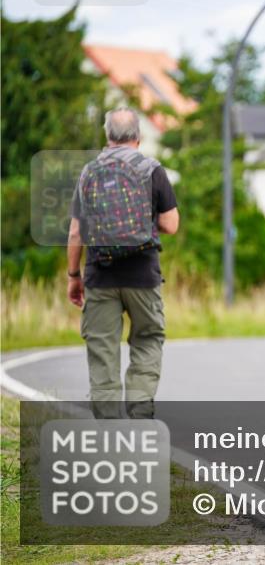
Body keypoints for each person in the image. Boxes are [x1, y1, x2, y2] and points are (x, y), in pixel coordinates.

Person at [67, 107, 179, 419]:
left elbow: (76, 231)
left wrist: (73, 275)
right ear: (138, 138)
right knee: (147, 339)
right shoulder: (152, 170)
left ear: (108, 137)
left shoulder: (89, 172)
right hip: (143, 275)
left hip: (100, 276)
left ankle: (109, 430)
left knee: (103, 351)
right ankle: (140, 412)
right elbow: (171, 225)